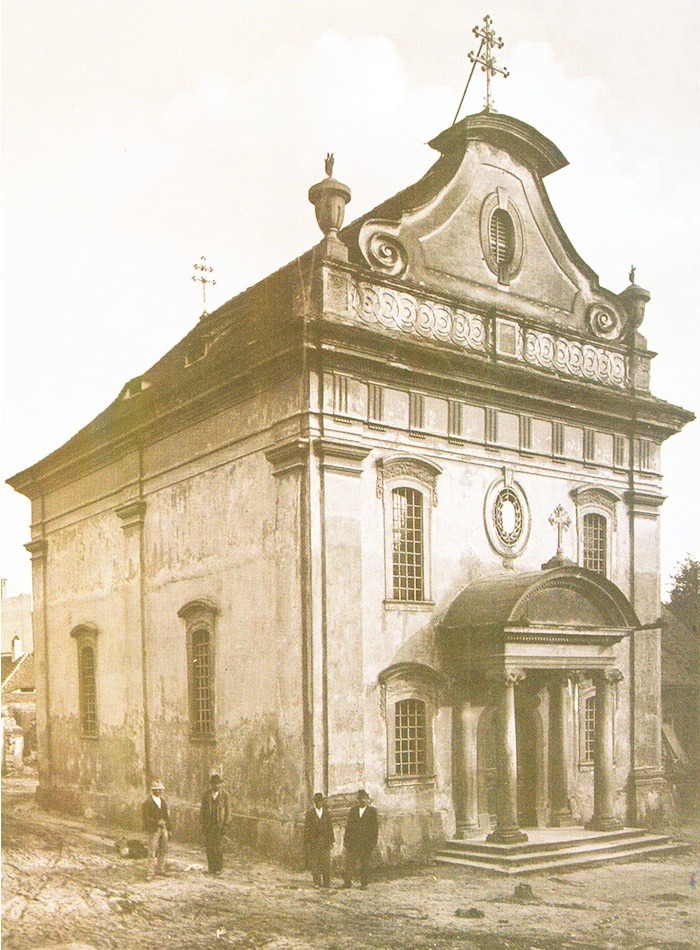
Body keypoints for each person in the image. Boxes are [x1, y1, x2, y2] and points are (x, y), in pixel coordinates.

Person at [342, 789, 378, 889]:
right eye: (360, 799)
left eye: (364, 799)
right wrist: (346, 840)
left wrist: (373, 843)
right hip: (354, 842)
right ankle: (347, 882)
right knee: (350, 863)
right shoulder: (353, 810)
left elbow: (374, 829)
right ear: (358, 800)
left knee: (365, 863)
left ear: (367, 800)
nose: (362, 801)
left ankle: (364, 884)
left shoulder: (372, 812)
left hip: (366, 843)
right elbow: (349, 827)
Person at [200, 773, 230, 874]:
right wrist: (203, 824)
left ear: (220, 784)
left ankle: (219, 868)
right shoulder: (206, 795)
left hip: (219, 825)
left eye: (218, 784)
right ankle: (211, 868)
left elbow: (227, 811)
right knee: (209, 847)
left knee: (218, 847)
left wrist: (226, 824)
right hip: (209, 824)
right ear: (211, 785)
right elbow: (202, 811)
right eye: (214, 784)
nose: (216, 786)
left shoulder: (225, 795)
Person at [303, 792, 334, 888]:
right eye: (317, 802)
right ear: (314, 802)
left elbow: (330, 827)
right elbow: (307, 828)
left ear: (323, 802)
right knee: (315, 862)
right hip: (314, 841)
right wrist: (307, 841)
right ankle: (317, 882)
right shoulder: (310, 813)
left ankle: (326, 882)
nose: (319, 803)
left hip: (325, 841)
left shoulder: (326, 813)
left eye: (320, 801)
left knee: (326, 862)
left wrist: (331, 840)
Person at [141, 778, 171, 880]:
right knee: (152, 851)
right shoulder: (148, 803)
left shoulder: (163, 802)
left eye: (160, 790)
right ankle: (150, 872)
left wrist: (168, 828)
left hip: (164, 829)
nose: (159, 791)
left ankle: (160, 869)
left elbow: (166, 816)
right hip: (153, 830)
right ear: (152, 790)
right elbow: (145, 818)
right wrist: (157, 822)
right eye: (156, 789)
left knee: (163, 849)